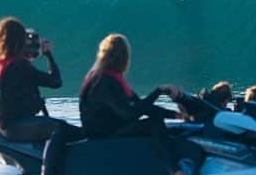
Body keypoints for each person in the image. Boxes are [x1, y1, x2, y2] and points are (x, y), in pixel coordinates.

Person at [0, 17, 83, 174]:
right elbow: (55, 82)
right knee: (60, 129)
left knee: (54, 127)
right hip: (17, 127)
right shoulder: (19, 65)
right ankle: (48, 171)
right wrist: (48, 54)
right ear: (19, 41)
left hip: (2, 125)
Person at [79, 33, 186, 175]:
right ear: (123, 57)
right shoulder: (103, 81)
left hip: (112, 127)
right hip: (101, 134)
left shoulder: (112, 78)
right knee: (154, 124)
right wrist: (158, 91)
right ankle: (175, 171)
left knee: (161, 124)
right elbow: (129, 113)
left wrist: (177, 115)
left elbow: (140, 105)